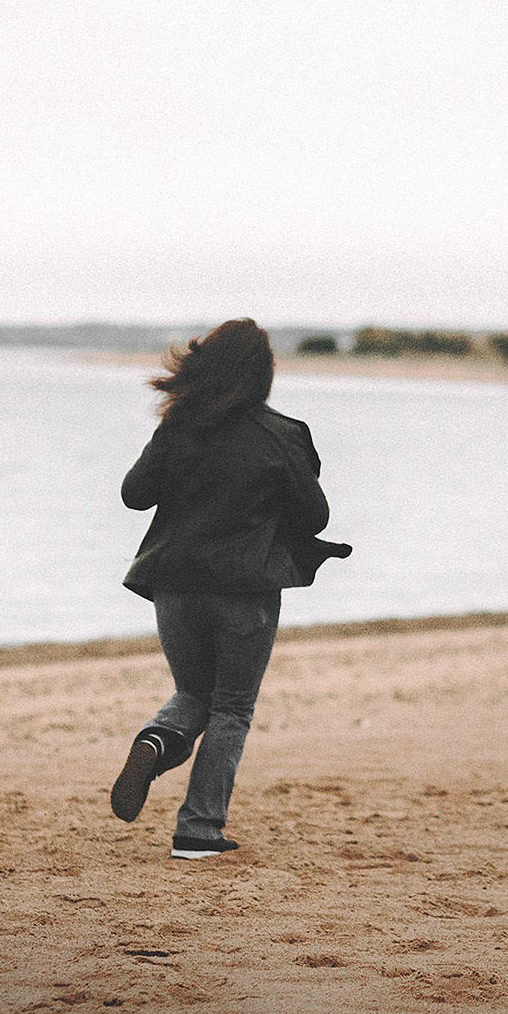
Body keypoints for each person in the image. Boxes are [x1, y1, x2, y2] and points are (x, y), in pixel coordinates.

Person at [110, 318, 350, 859]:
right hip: (244, 589)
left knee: (195, 694)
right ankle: (198, 829)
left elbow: (133, 495)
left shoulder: (180, 426)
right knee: (232, 706)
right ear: (262, 375)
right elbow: (315, 516)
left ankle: (156, 741)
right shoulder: (282, 433)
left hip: (172, 585)